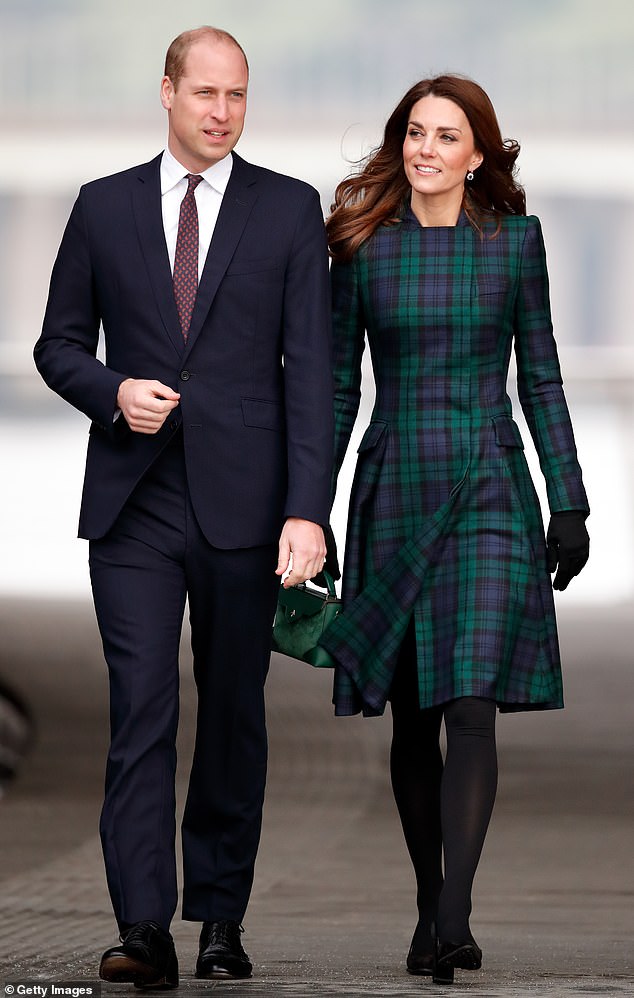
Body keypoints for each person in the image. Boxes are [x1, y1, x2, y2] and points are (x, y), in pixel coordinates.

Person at [34, 25, 333, 988]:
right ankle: (144, 927)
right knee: (143, 708)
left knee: (236, 715)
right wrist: (113, 391)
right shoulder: (102, 207)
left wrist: (307, 509)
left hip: (247, 510)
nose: (220, 112)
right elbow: (58, 345)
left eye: (236, 96)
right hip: (133, 505)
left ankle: (220, 919)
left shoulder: (289, 212)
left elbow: (313, 378)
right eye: (204, 93)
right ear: (166, 92)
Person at [319, 75, 589, 985]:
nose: (428, 149)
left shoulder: (516, 245)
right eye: (416, 134)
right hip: (394, 483)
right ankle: (429, 896)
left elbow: (542, 377)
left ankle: (454, 917)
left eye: (448, 136)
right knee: (412, 716)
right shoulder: (362, 251)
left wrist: (571, 500)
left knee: (471, 703)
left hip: (486, 486)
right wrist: (305, 508)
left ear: (479, 155)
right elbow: (336, 390)